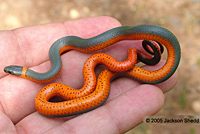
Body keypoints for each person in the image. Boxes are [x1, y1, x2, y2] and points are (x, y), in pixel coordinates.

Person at [0, 16, 178, 133]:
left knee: (115, 60)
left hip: (103, 76)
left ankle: (134, 55)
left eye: (10, 71)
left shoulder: (60, 49)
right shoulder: (49, 70)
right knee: (104, 76)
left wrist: (134, 57)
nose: (9, 72)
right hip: (92, 91)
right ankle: (135, 56)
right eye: (10, 71)